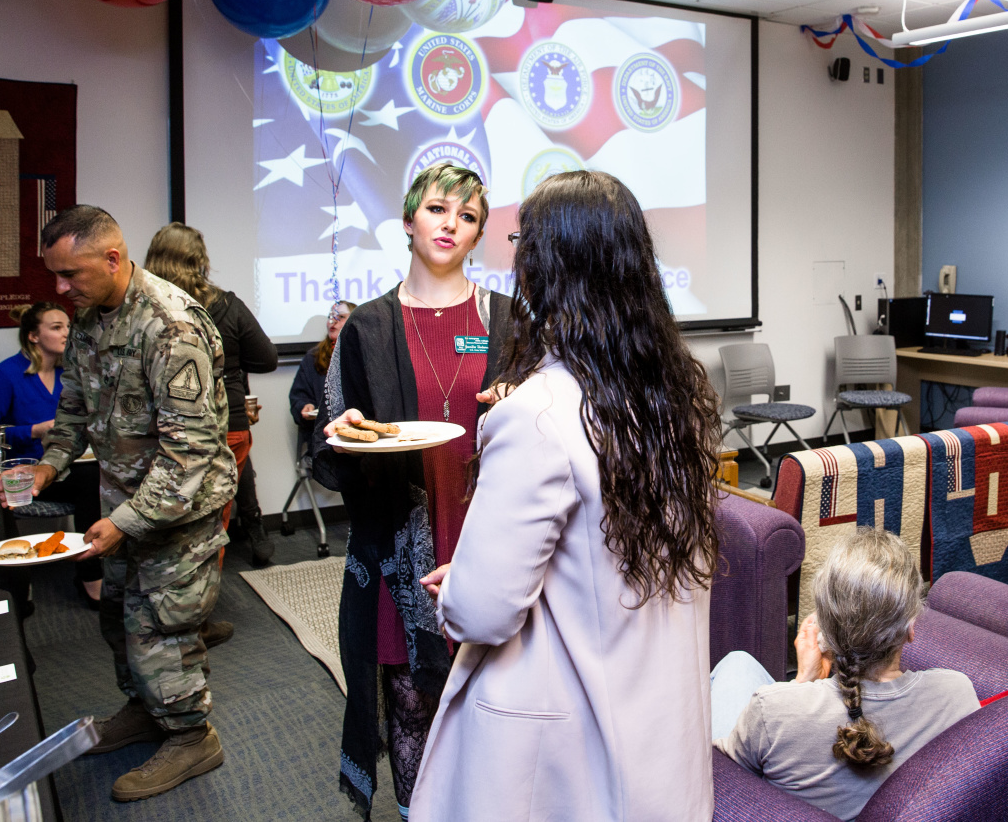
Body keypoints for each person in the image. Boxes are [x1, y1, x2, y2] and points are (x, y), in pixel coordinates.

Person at [405, 170, 722, 822]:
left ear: (543, 269)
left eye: (520, 241)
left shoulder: (537, 414)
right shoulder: (677, 403)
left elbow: (481, 615)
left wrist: (467, 581)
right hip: (664, 754)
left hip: (573, 766)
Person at [317, 164, 510, 821]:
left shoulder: (509, 320)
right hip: (404, 545)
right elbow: (331, 440)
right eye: (436, 208)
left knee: (496, 693)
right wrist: (339, 430)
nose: (451, 222)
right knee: (410, 700)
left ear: (479, 233)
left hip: (492, 537)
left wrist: (523, 400)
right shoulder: (368, 328)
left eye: (468, 215)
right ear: (408, 221)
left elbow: (556, 427)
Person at [25, 205, 235, 802]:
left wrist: (124, 522)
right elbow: (75, 409)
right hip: (122, 504)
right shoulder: (90, 320)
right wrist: (50, 464)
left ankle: (193, 735)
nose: (60, 289)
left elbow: (189, 454)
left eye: (70, 274)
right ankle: (148, 712)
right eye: (55, 276)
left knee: (160, 629)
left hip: (178, 513)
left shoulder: (171, 326)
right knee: (118, 619)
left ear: (112, 259)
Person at [713, 529, 980, 822]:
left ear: (825, 632)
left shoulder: (773, 711)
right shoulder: (958, 695)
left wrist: (803, 682)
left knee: (736, 664)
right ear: (911, 628)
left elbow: (724, 779)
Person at [144, 223, 279, 569]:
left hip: (157, 426)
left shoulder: (143, 307)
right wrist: (229, 365)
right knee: (213, 516)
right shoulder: (226, 306)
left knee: (164, 516)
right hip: (226, 422)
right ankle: (198, 614)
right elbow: (266, 358)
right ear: (200, 260)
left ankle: (173, 610)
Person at [0, 301, 103, 606]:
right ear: (33, 336)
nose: (66, 333)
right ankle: (91, 575)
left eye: (68, 326)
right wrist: (33, 431)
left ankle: (109, 567)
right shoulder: (6, 375)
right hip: (27, 475)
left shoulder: (70, 375)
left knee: (105, 474)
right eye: (56, 328)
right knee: (92, 479)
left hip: (71, 467)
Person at [289, 299, 354, 463]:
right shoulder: (313, 357)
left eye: (341, 317)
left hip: (357, 436)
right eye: (330, 316)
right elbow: (298, 397)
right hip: (323, 438)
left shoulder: (364, 354)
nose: (333, 321)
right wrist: (304, 406)